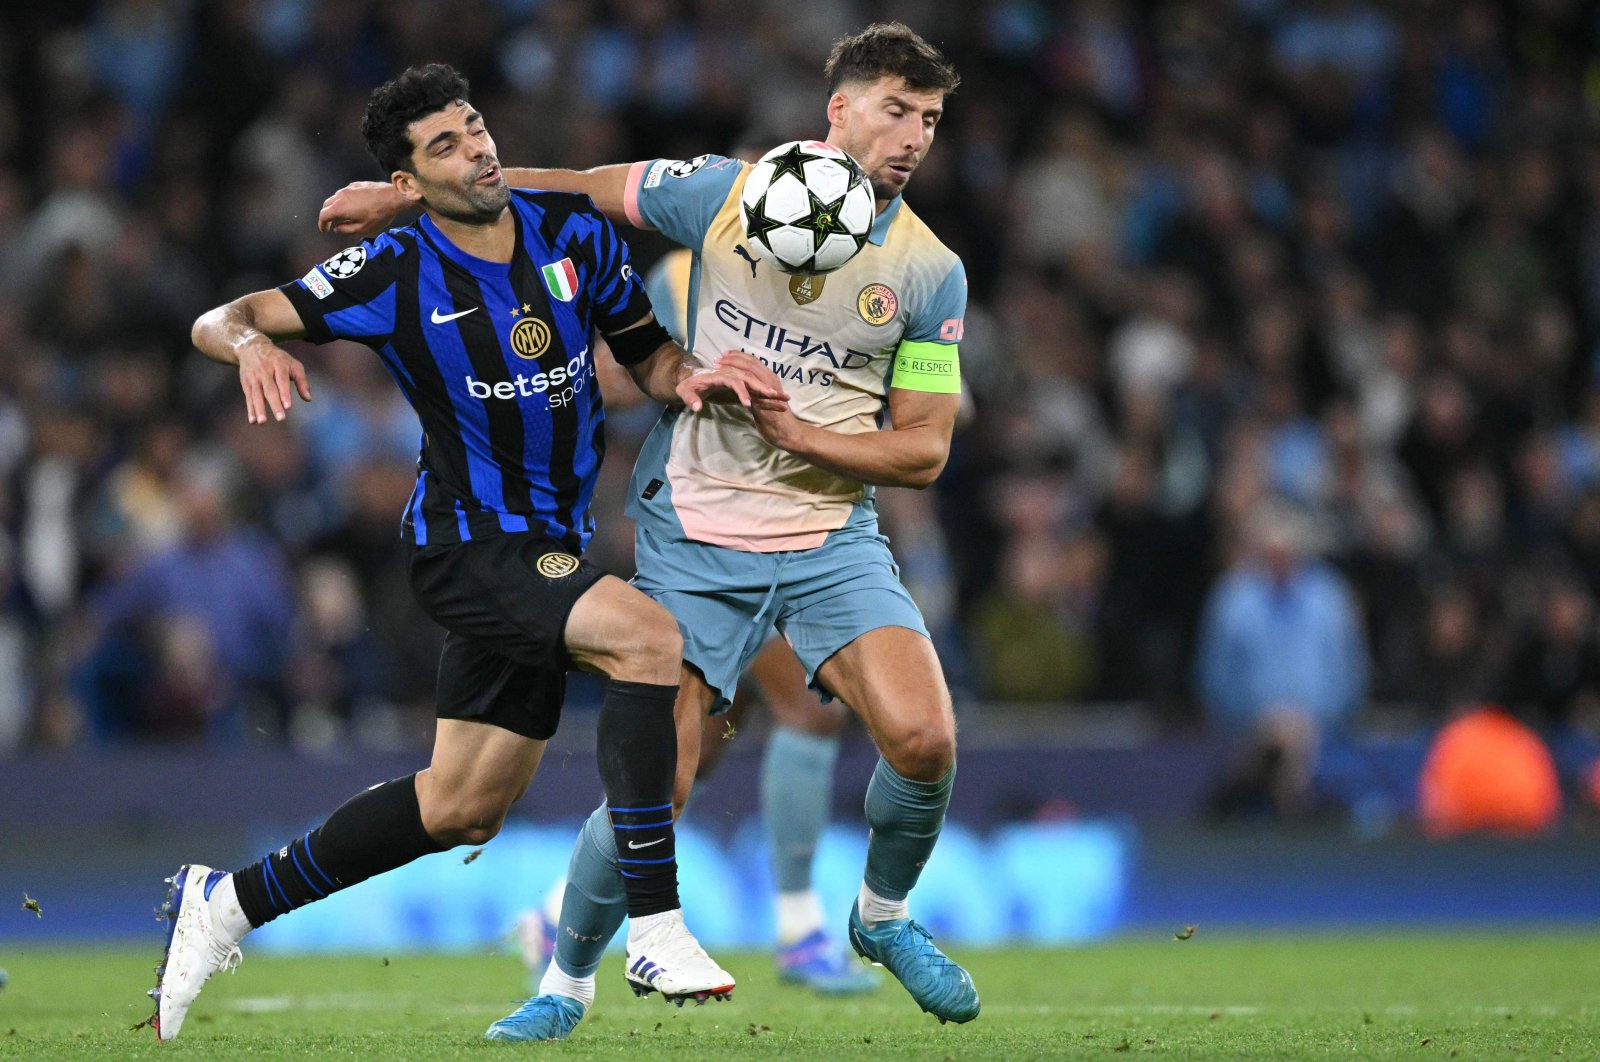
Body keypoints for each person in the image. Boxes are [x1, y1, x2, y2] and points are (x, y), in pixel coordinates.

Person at [323, 21, 980, 1037]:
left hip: (827, 539)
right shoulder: (717, 194)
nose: (912, 136)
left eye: (929, 120)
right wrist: (412, 195)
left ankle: (881, 918)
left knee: (925, 737)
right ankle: (564, 983)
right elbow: (578, 185)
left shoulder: (930, 273)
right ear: (837, 110)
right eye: (895, 109)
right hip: (696, 537)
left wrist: (802, 431)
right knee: (660, 780)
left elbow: (925, 450)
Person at [153, 62, 781, 1042]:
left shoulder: (575, 236)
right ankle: (655, 924)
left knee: (462, 806)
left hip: (548, 544)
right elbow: (221, 316)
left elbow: (646, 352)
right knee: (649, 642)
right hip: (470, 545)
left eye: (474, 126)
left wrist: (693, 380)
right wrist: (248, 346)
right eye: (443, 144)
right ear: (406, 182)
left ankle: (226, 904)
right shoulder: (395, 269)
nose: (476, 148)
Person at [515, 241, 879, 996]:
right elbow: (618, 370)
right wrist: (685, 381)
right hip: (712, 540)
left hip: (786, 531)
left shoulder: (835, 285)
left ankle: (557, 914)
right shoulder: (688, 274)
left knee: (693, 754)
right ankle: (799, 927)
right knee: (808, 709)